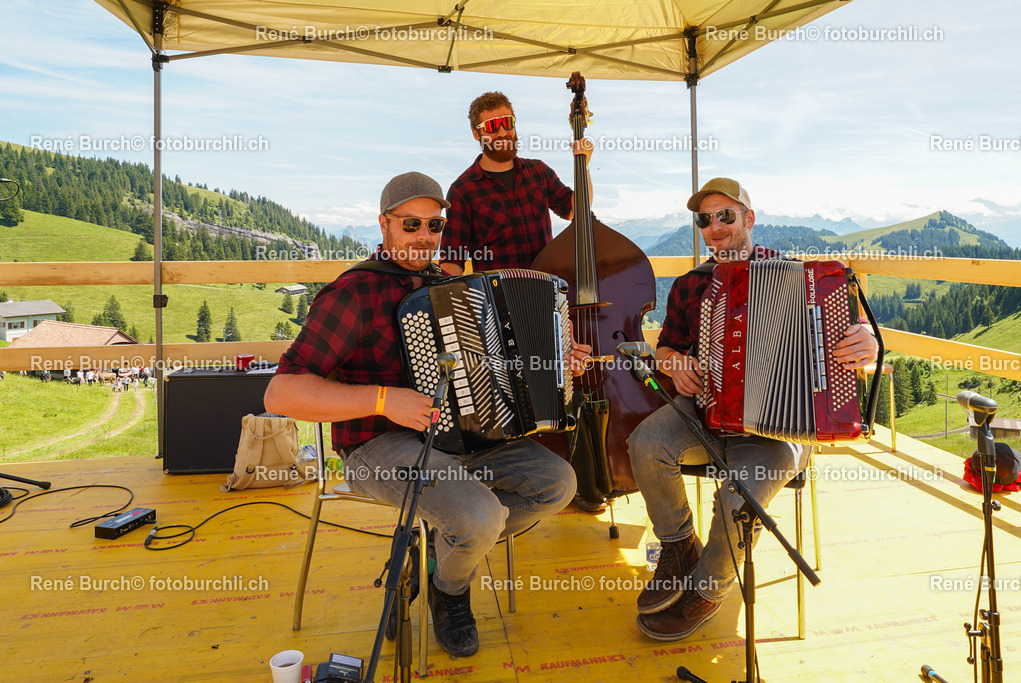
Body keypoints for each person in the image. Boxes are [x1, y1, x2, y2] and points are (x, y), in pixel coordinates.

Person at [264, 171, 589, 658]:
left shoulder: (453, 287)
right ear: (384, 225)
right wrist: (381, 398)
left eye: (434, 226)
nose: (424, 237)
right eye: (411, 224)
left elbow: (501, 367)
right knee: (479, 518)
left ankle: (442, 559)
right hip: (378, 445)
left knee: (558, 483)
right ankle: (453, 591)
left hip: (464, 439)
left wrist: (558, 363)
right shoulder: (352, 294)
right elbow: (280, 394)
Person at [628, 178, 880, 641]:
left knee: (736, 497)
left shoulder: (806, 281)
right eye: (705, 219)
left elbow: (854, 334)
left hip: (783, 429)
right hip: (704, 412)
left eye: (726, 215)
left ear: (749, 219)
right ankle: (678, 545)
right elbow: (664, 349)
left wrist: (864, 341)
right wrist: (676, 361)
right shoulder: (690, 286)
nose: (715, 227)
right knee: (644, 443)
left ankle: (707, 589)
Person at [440, 91, 593, 275]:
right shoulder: (462, 191)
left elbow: (575, 210)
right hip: (498, 300)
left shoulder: (539, 171)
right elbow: (452, 261)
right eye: (492, 126)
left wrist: (584, 166)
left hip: (547, 292)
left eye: (508, 122)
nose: (503, 132)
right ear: (476, 133)